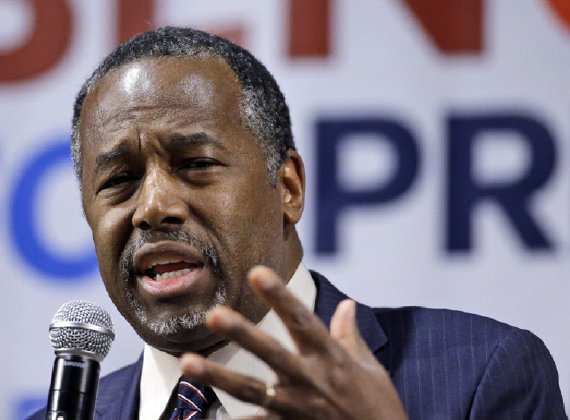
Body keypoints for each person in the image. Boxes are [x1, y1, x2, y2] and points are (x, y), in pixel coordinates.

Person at [29, 26, 566, 419]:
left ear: (287, 187)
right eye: (120, 179)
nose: (152, 207)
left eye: (195, 164)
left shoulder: (478, 376)